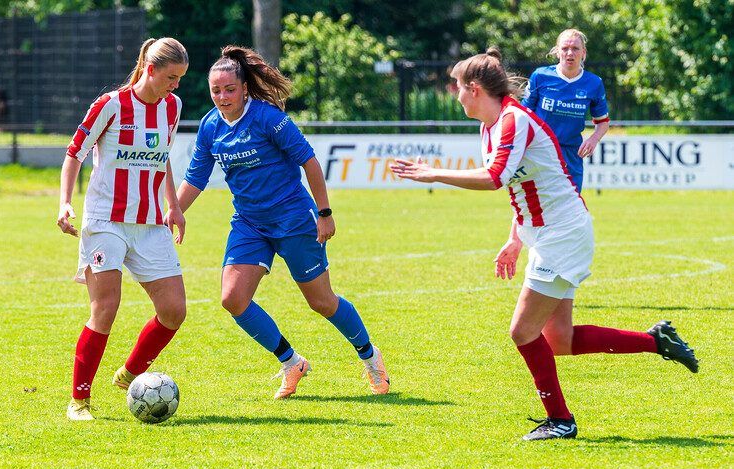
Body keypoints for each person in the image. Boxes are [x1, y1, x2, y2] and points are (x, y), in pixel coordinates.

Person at [391, 48, 698, 441]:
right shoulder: (490, 125)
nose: (454, 94)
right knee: (560, 341)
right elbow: (520, 184)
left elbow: (495, 178)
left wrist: (431, 173)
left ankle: (561, 420)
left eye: (456, 86)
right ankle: (657, 341)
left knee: (521, 332)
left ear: (473, 88)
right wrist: (514, 239)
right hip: (547, 234)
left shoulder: (512, 120)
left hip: (562, 235)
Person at [176, 45, 389, 399]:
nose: (223, 97)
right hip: (249, 223)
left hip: (293, 218)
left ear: (244, 88)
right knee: (232, 298)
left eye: (230, 89)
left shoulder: (268, 118)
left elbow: (310, 162)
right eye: (216, 90)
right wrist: (173, 212)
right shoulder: (210, 126)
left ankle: (370, 357)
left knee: (321, 302)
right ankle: (291, 362)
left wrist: (324, 213)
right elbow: (196, 177)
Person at [57, 38, 189, 421]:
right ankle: (79, 400)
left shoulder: (173, 106)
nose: (176, 85)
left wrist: (174, 205)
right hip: (105, 222)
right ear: (149, 69)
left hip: (149, 225)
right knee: (105, 308)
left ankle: (130, 373)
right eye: (171, 77)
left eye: (180, 78)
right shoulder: (112, 105)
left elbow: (161, 157)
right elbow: (74, 152)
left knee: (173, 310)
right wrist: (65, 202)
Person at [522, 29, 609, 192]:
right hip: (539, 151)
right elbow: (523, 115)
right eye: (565, 48)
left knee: (571, 210)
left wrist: (593, 139)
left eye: (575, 49)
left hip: (571, 155)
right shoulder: (540, 76)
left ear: (583, 53)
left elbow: (603, 122)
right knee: (536, 207)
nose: (570, 53)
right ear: (557, 52)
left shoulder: (594, 83)